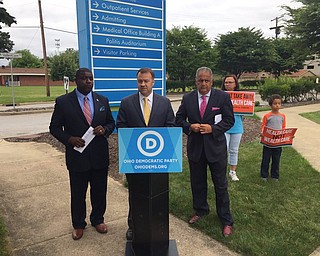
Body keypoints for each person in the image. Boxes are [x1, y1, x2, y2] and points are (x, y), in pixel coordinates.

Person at [49, 68, 115, 240]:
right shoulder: (63, 102)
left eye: (91, 79)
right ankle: (78, 224)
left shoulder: (102, 100)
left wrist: (105, 129)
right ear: (76, 80)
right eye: (84, 78)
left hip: (99, 156)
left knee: (99, 191)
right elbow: (54, 128)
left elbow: (111, 122)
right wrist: (69, 139)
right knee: (78, 193)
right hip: (77, 157)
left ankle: (98, 219)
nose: (88, 81)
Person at [116, 67, 175, 241]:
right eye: (140, 81)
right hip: (135, 159)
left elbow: (171, 126)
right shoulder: (127, 102)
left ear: (153, 82)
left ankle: (158, 226)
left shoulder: (164, 103)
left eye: (146, 81)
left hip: (159, 158)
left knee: (157, 192)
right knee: (135, 192)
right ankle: (133, 226)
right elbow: (120, 126)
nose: (142, 84)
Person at [175, 67, 235, 237]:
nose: (203, 83)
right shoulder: (188, 98)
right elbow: (178, 119)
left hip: (216, 149)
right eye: (200, 80)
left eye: (206, 80)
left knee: (221, 185)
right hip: (196, 149)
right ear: (196, 81)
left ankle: (226, 219)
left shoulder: (222, 97)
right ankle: (200, 210)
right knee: (197, 183)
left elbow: (229, 120)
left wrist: (213, 128)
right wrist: (189, 127)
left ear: (212, 81)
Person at [221, 75, 243, 181]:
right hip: (223, 127)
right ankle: (221, 172)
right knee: (223, 150)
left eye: (230, 82)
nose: (228, 84)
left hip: (237, 126)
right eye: (226, 82)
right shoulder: (219, 96)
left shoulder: (241, 96)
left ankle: (232, 172)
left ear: (235, 84)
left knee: (234, 150)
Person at [260, 94, 286, 181]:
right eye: (275, 103)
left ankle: (275, 175)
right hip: (268, 142)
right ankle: (264, 175)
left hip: (278, 142)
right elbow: (263, 126)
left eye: (279, 103)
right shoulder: (267, 116)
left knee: (276, 159)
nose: (277, 105)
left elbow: (283, 128)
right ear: (271, 105)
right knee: (266, 159)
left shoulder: (283, 116)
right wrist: (262, 133)